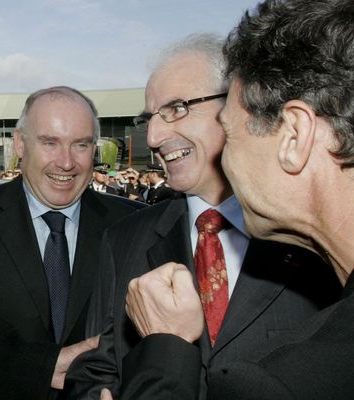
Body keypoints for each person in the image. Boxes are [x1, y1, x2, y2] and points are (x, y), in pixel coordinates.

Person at [65, 32, 341, 399]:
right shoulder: (125, 238)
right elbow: (96, 364)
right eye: (149, 118)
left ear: (236, 108)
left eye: (176, 108)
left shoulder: (309, 234)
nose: (154, 136)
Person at [0, 86, 136, 399]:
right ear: (20, 144)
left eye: (80, 145)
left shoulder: (133, 226)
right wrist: (40, 365)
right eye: (50, 143)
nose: (66, 162)